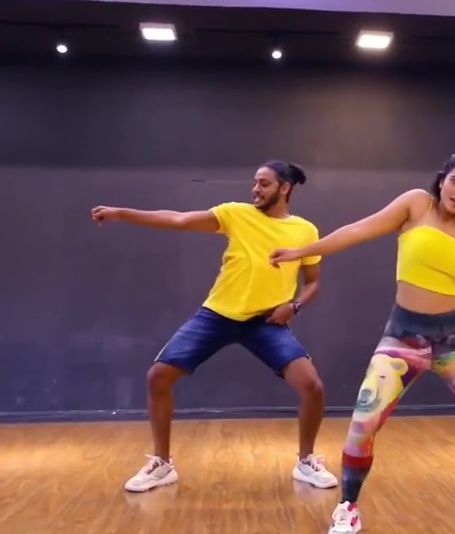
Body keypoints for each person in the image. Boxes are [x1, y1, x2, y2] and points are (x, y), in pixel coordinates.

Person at [269, 150, 455, 534]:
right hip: (404, 339)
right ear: (442, 179)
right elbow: (358, 230)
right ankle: (348, 508)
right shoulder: (417, 205)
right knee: (362, 426)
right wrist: (302, 252)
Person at [91, 160, 338, 493]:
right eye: (255, 182)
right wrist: (122, 213)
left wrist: (293, 306)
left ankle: (306, 462)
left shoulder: (306, 231)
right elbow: (178, 219)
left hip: (265, 322)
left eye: (264, 183)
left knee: (312, 387)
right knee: (158, 377)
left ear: (285, 188)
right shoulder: (235, 214)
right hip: (217, 316)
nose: (255, 189)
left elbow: (313, 283)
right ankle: (162, 464)